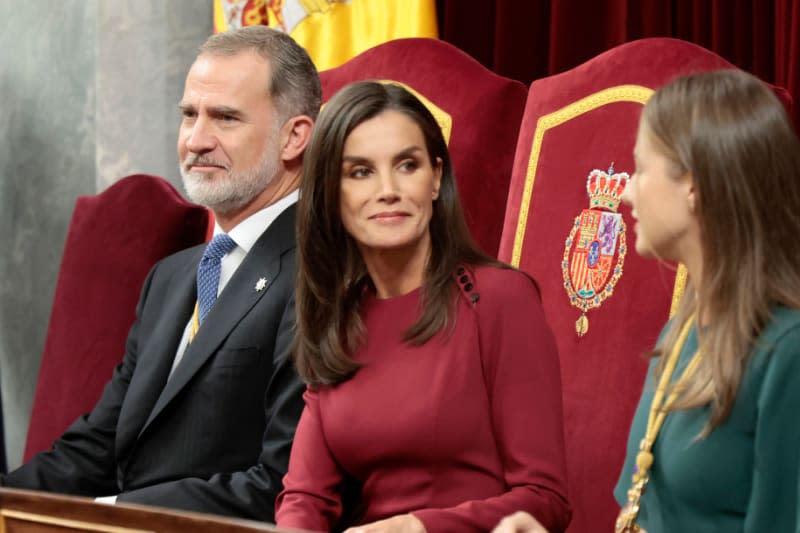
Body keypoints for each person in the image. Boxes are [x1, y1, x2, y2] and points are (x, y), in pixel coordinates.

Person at [0, 25, 321, 522]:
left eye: (225, 118)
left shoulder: (321, 268)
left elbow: (283, 482)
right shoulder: (171, 277)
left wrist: (109, 514)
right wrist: (8, 501)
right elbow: (101, 446)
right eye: (189, 115)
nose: (196, 140)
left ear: (295, 135)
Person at [274, 81, 571, 533]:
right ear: (331, 196)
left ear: (435, 178)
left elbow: (545, 500)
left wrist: (417, 528)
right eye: (360, 172)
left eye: (406, 165)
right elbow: (305, 496)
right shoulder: (338, 316)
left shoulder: (499, 299)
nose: (388, 190)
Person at [611, 69, 800, 532]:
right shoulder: (686, 324)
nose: (626, 190)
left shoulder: (788, 352)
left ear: (693, 185)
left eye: (639, 169)